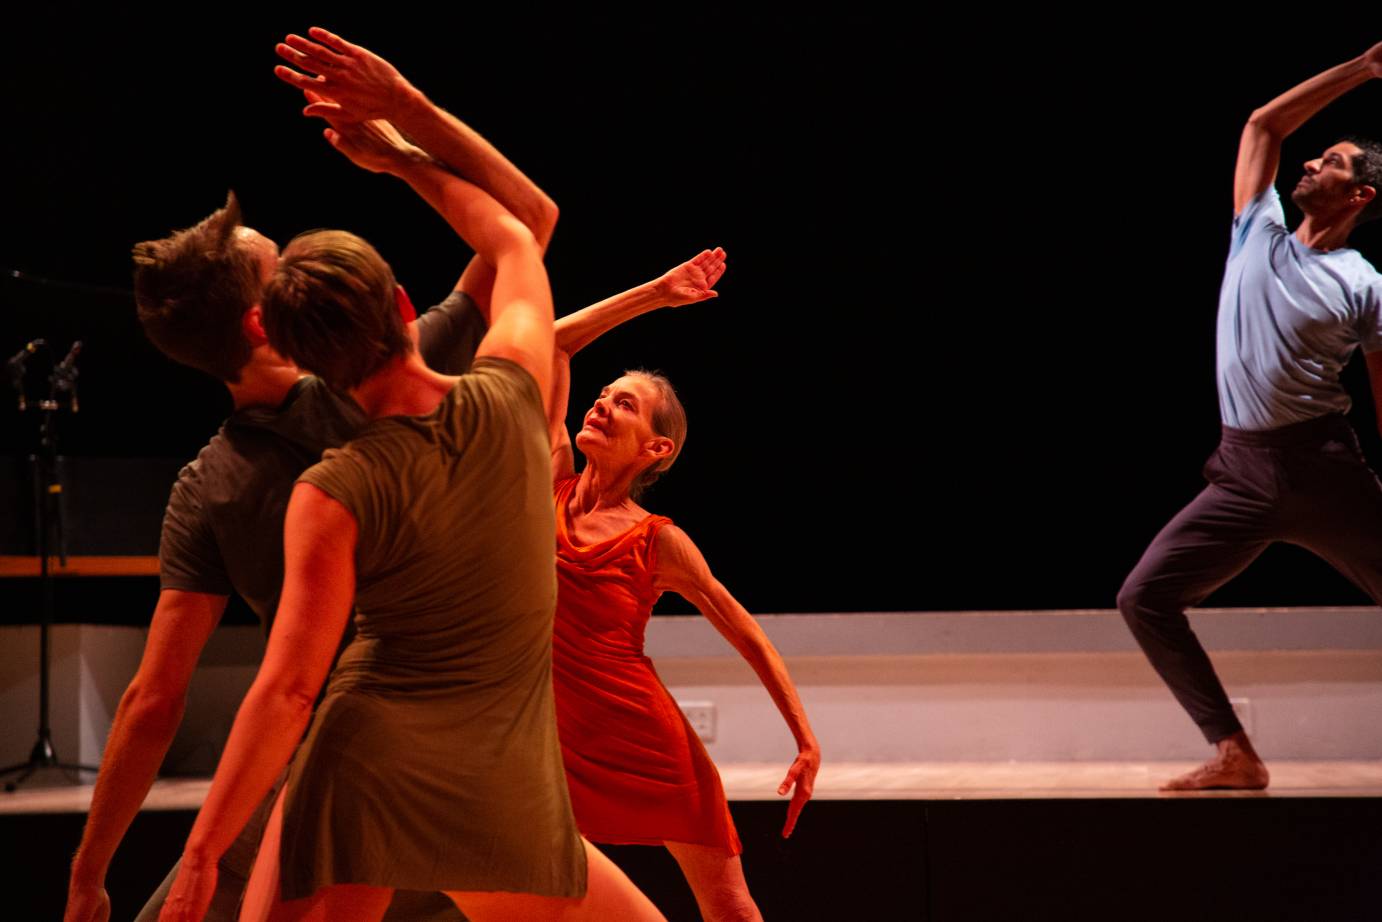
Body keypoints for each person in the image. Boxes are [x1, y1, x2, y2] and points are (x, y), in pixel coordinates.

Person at [65, 28, 556, 922]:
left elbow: (155, 701)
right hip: (465, 762)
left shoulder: (211, 485)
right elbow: (528, 224)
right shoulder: (421, 378)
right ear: (264, 322)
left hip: (343, 762)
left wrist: (89, 871)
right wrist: (405, 125)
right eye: (278, 260)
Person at [158, 76, 663, 922]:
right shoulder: (511, 393)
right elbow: (513, 229)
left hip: (393, 759)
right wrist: (402, 145)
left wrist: (202, 855)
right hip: (465, 758)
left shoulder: (333, 490)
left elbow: (286, 691)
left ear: (305, 357)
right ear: (400, 304)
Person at [1117, 41, 1382, 791]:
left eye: (1330, 163)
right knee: (1144, 598)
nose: (1309, 164)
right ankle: (1235, 752)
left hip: (1324, 469)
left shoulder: (1364, 284)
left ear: (1360, 196)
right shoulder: (1255, 231)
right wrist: (1362, 69)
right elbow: (1264, 125)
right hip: (1239, 471)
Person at [545, 255, 821, 922]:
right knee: (546, 889)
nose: (601, 404)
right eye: (603, 395)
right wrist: (657, 295)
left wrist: (805, 739)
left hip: (646, 740)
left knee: (727, 905)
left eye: (625, 404)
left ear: (656, 449)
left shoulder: (656, 541)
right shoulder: (547, 482)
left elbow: (744, 631)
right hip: (555, 738)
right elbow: (552, 344)